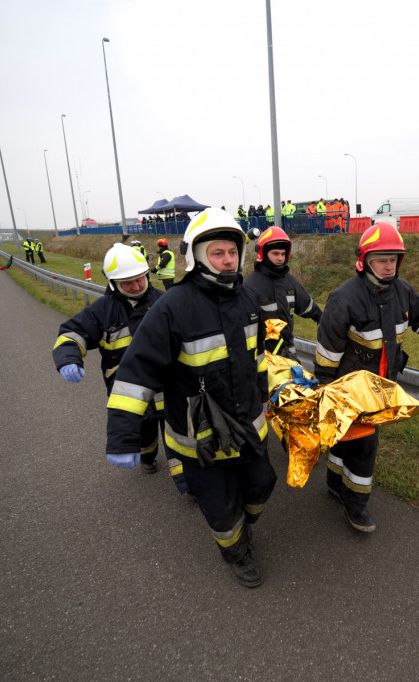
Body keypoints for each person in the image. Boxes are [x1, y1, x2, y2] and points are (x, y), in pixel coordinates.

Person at [105, 208, 276, 588]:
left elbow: (258, 358)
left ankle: (245, 526)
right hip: (200, 434)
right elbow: (136, 374)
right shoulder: (172, 307)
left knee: (262, 484)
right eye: (218, 253)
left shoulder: (248, 300)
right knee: (220, 507)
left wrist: (264, 398)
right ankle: (236, 552)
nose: (227, 259)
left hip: (248, 422)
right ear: (197, 257)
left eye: (232, 251)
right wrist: (123, 437)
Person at [314, 222, 419, 533]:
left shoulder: (403, 292)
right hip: (349, 387)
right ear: (364, 261)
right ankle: (356, 504)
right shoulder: (344, 297)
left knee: (346, 439)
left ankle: (335, 484)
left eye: (393, 259)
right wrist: (325, 388)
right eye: (381, 259)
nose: (388, 265)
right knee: (364, 445)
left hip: (382, 385)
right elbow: (328, 348)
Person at [53, 243, 175, 483]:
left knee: (178, 438)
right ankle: (148, 459)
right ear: (113, 284)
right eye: (127, 282)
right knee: (143, 434)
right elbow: (71, 334)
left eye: (140, 279)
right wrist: (69, 357)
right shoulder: (101, 311)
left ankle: (188, 482)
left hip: (168, 389)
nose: (136, 286)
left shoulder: (166, 302)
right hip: (129, 393)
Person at [244, 226, 322, 361]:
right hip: (263, 355)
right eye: (275, 254)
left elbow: (306, 305)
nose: (280, 258)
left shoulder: (289, 281)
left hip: (288, 352)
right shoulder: (250, 284)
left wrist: (322, 318)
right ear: (263, 253)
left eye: (283, 254)